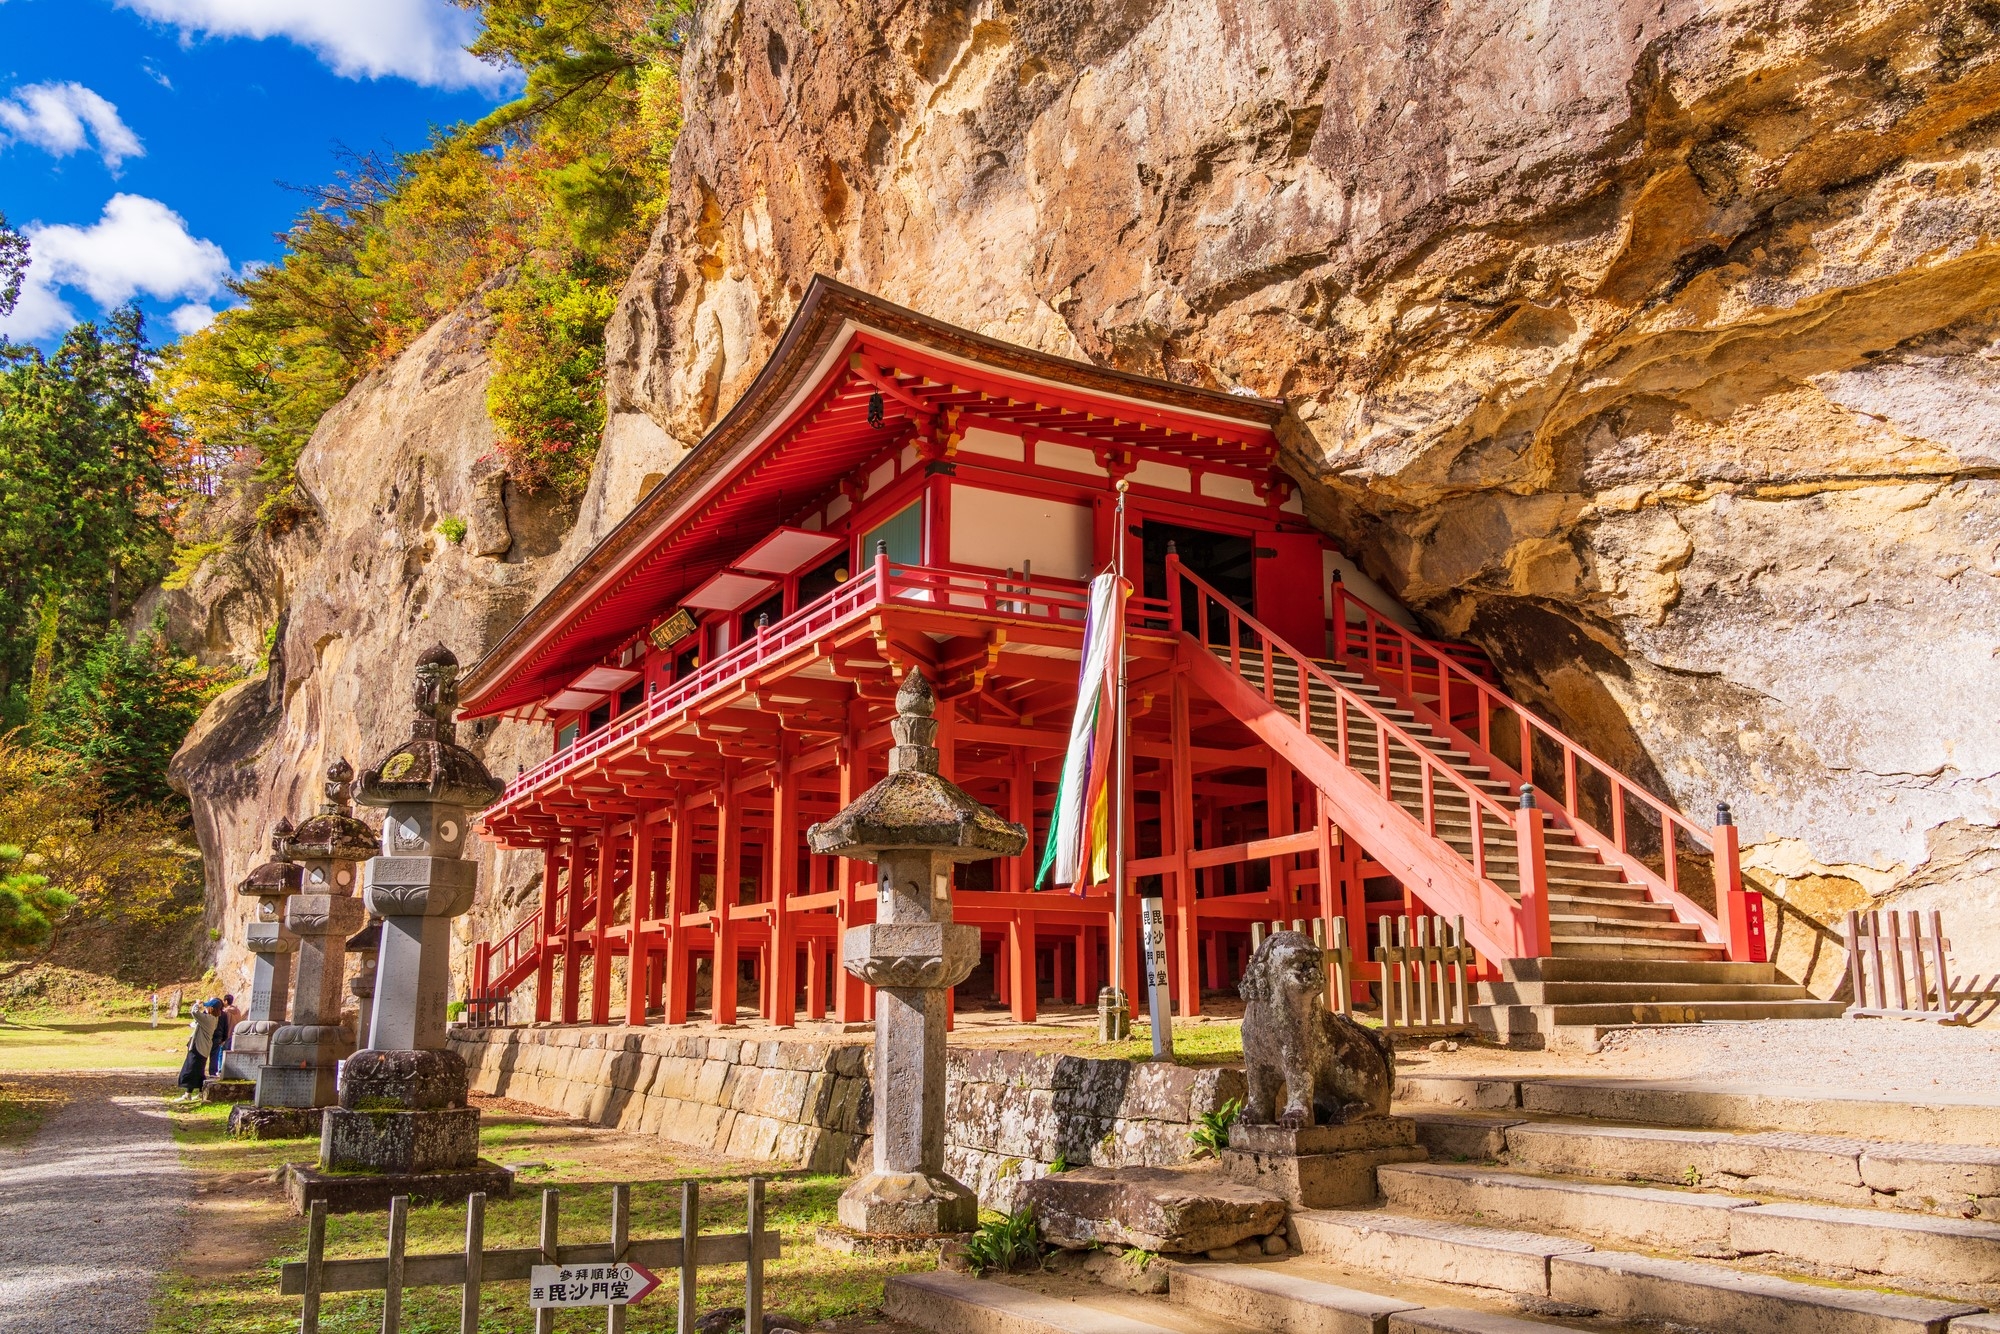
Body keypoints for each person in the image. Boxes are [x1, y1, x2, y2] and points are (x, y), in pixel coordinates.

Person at [177, 1000, 220, 1099]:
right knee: (198, 1071)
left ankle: (188, 1094)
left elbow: (194, 1012)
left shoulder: (208, 1019)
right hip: (203, 1047)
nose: (206, 1008)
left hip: (199, 1047)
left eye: (207, 1007)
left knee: (191, 1070)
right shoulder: (213, 1018)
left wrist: (197, 1003)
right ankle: (200, 1092)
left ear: (211, 1009)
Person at [207, 995, 235, 1078]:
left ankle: (205, 1072)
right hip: (219, 1036)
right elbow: (226, 1027)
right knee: (214, 1055)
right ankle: (212, 1072)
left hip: (210, 1035)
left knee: (207, 1054)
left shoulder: (210, 1013)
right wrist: (224, 1038)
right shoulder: (223, 1014)